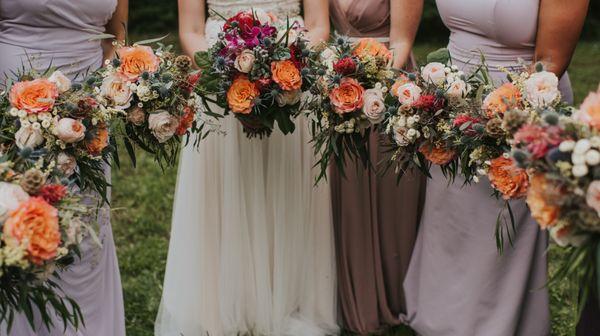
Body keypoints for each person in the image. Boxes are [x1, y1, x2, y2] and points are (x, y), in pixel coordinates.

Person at [401, 0, 589, 335]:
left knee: (500, 229)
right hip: (451, 102)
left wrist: (497, 114)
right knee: (452, 224)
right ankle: (439, 319)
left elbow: (549, 62)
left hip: (520, 109)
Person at [155, 1, 337, 335]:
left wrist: (286, 68)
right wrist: (226, 73)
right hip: (219, 80)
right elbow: (191, 30)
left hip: (292, 82)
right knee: (227, 186)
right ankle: (222, 300)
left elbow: (318, 25)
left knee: (285, 186)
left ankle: (288, 300)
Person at [0, 0, 128, 335]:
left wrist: (113, 88)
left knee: (84, 231)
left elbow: (118, 35)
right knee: (17, 220)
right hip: (10, 100)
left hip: (87, 106)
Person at [328, 0, 425, 334]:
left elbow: (401, 43)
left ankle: (392, 295)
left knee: (390, 194)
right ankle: (347, 294)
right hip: (338, 86)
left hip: (389, 86)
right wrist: (340, 83)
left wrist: (371, 87)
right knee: (347, 193)